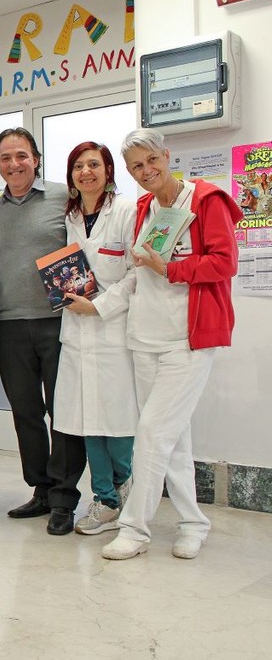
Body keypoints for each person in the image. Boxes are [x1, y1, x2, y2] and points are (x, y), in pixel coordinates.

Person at [102, 129, 242, 561]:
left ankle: (134, 528)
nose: (146, 171)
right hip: (145, 336)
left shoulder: (205, 199)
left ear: (166, 155)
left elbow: (225, 263)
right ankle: (193, 522)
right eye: (136, 167)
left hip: (188, 338)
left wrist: (171, 269)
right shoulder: (144, 207)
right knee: (172, 436)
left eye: (151, 160)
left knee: (151, 432)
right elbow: (138, 269)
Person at [0, 127, 86, 536]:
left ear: (36, 159)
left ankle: (64, 497)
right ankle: (41, 488)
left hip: (60, 320)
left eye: (21, 155)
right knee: (26, 412)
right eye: (6, 157)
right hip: (11, 322)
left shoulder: (64, 198)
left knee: (63, 411)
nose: (14, 164)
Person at [49, 143, 138, 536]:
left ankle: (125, 486)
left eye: (93, 165)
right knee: (88, 422)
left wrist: (99, 306)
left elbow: (136, 272)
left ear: (108, 170)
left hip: (112, 331)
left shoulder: (126, 211)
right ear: (71, 175)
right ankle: (105, 498)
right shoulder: (69, 217)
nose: (86, 172)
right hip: (76, 333)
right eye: (78, 166)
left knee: (118, 421)